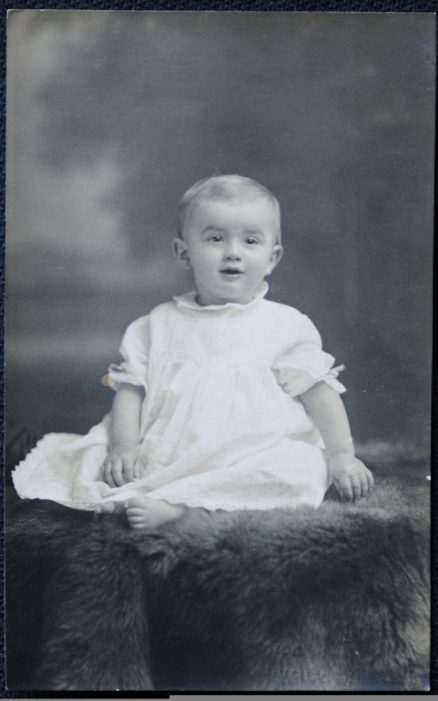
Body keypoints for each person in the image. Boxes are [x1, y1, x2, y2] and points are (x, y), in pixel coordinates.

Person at [12, 175, 374, 529]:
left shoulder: (287, 326)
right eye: (215, 238)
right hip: (170, 449)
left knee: (298, 467)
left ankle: (181, 510)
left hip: (252, 451)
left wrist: (342, 455)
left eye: (250, 241)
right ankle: (163, 496)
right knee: (101, 462)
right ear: (184, 252)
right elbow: (131, 392)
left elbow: (319, 393)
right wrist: (124, 447)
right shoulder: (155, 324)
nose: (233, 252)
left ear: (272, 257)